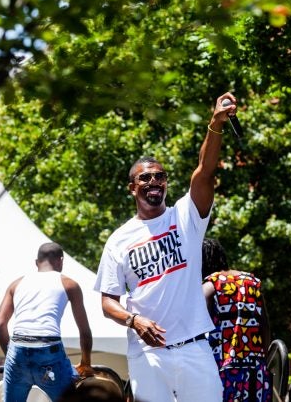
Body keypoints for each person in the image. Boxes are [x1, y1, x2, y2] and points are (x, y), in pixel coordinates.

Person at [94, 91, 239, 402]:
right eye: (145, 178)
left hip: (195, 348)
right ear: (132, 188)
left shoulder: (185, 217)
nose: (154, 182)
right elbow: (108, 302)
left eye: (160, 177)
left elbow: (205, 171)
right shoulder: (119, 239)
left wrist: (216, 123)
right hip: (148, 354)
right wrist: (133, 320)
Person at [0, 242, 94, 402]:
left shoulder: (16, 284)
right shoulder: (69, 284)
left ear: (36, 262)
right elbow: (85, 332)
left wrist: (12, 357)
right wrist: (86, 363)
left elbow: (0, 324)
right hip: (49, 352)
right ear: (61, 260)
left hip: (17, 349)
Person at [202, 238, 272, 402]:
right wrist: (266, 363)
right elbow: (265, 326)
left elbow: (198, 326)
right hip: (256, 369)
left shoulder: (211, 285)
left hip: (220, 368)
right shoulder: (251, 282)